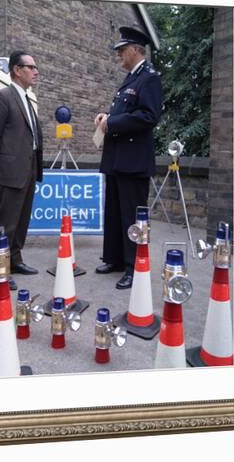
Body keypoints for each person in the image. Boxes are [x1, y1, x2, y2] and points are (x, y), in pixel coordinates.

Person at [94, 26, 163, 289]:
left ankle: (135, 266)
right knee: (113, 211)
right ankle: (115, 258)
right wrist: (106, 118)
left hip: (133, 161)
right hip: (117, 159)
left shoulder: (150, 78)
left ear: (136, 49)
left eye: (122, 51)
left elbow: (149, 116)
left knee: (132, 216)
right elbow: (123, 115)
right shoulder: (130, 79)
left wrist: (114, 122)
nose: (119, 56)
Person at [0, 50, 44, 287]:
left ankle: (15, 260)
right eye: (31, 67)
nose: (36, 71)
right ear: (17, 70)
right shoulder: (3, 97)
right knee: (6, 225)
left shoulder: (26, 98)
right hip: (10, 171)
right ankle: (0, 270)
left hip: (27, 170)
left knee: (21, 222)